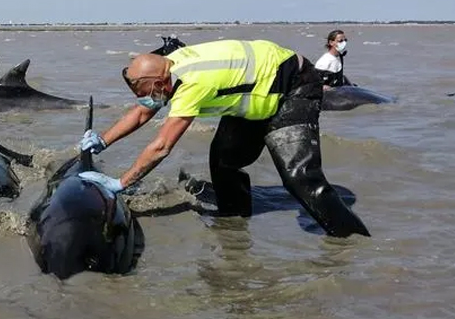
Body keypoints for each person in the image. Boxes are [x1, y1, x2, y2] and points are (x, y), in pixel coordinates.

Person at [77, 39, 371, 238]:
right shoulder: (169, 64)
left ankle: (351, 240)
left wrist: (121, 183)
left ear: (160, 82)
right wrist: (102, 140)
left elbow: (162, 146)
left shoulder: (193, 83)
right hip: (254, 90)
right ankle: (234, 223)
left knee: (299, 178)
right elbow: (143, 111)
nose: (148, 100)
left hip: (293, 85)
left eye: (149, 93)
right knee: (223, 160)